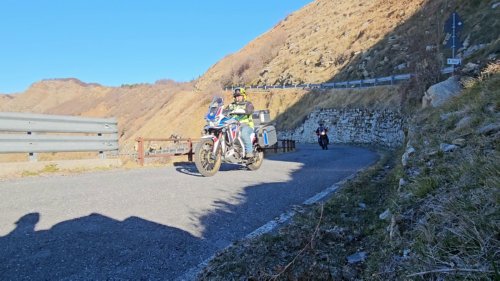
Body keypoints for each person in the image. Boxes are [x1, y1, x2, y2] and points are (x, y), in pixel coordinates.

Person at [225, 87, 255, 158]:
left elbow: (250, 110)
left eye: (239, 96)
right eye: (236, 96)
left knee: (243, 133)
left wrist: (246, 111)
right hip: (234, 125)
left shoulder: (248, 104)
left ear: (243, 96)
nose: (237, 98)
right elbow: (225, 111)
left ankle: (249, 152)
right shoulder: (232, 105)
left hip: (247, 125)